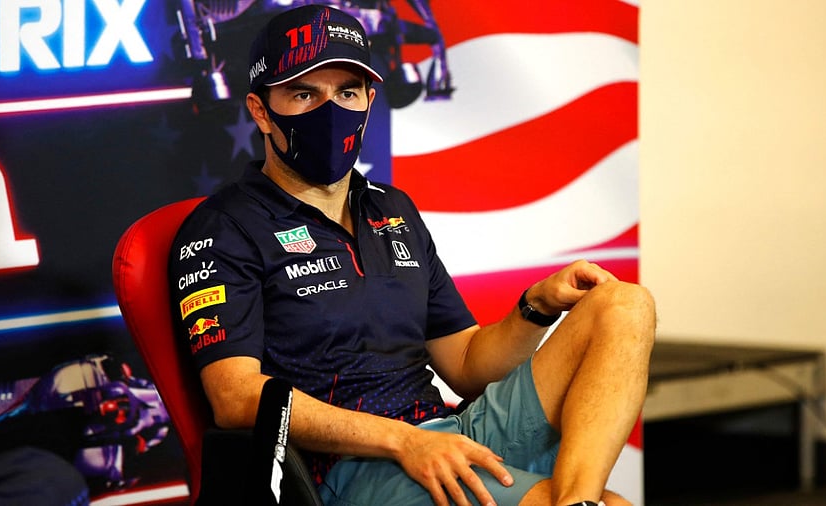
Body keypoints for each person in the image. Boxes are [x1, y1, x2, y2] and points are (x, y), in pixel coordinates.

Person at [168, 5, 655, 506]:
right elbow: (235, 398)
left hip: (446, 433)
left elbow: (466, 364)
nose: (330, 110)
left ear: (370, 99)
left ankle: (577, 502)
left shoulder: (391, 209)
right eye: (303, 93)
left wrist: (537, 305)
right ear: (260, 109)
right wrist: (404, 440)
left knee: (626, 305)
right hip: (349, 469)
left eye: (347, 92)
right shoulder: (223, 228)